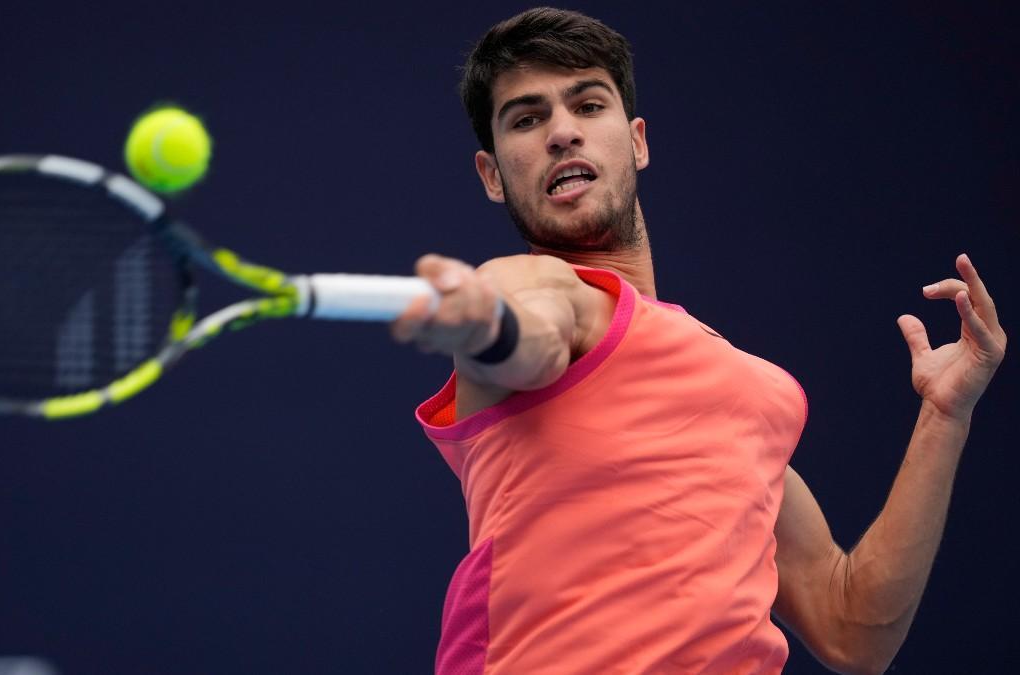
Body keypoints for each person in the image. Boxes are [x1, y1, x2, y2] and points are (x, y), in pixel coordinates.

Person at [390, 7, 1007, 675]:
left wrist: (945, 414)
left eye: (587, 104)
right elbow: (533, 332)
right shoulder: (528, 284)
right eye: (527, 118)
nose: (563, 133)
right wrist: (484, 322)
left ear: (637, 141)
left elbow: (854, 627)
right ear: (491, 174)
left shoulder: (747, 390)